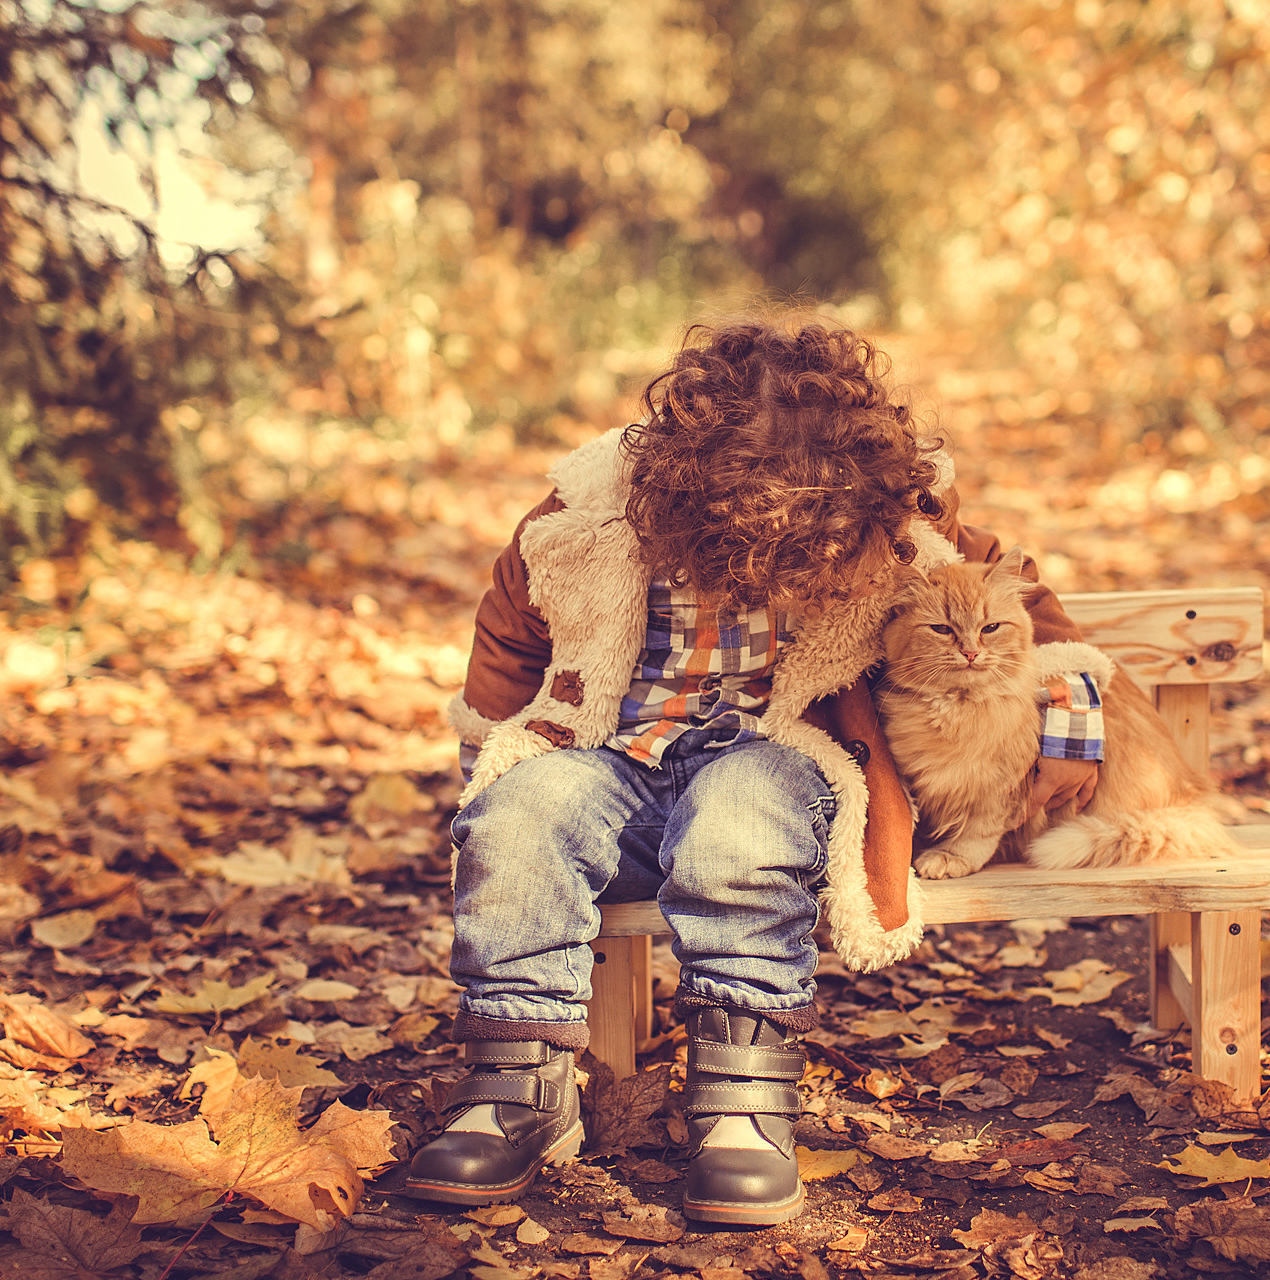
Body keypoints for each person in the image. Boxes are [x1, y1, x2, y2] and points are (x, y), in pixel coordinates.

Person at [401, 317, 1110, 1225]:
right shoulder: (586, 513)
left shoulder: (890, 508)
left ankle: (741, 1092)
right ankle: (518, 1079)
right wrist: (489, 764)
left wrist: (1074, 725)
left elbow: (1018, 602)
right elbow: (508, 636)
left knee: (742, 815)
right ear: (691, 491)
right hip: (610, 759)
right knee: (522, 813)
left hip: (772, 752)